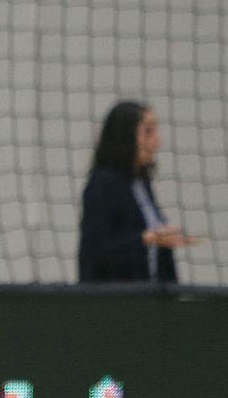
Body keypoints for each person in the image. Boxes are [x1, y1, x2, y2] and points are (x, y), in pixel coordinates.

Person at [78, 101, 196, 283]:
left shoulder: (141, 182)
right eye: (148, 132)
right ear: (125, 136)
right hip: (116, 301)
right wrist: (145, 239)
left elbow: (154, 245)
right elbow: (94, 250)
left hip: (150, 298)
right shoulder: (103, 183)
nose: (158, 142)